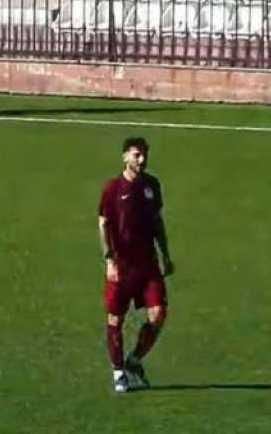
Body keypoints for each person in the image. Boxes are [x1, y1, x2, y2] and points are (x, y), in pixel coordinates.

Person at [98, 137, 175, 393]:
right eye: (136, 155)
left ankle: (134, 361)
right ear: (125, 157)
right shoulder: (112, 189)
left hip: (148, 264)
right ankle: (118, 371)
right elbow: (103, 224)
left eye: (144, 155)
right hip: (122, 266)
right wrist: (109, 259)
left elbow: (157, 222)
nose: (141, 160)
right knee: (115, 319)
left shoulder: (152, 185)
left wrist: (165, 254)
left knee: (158, 314)